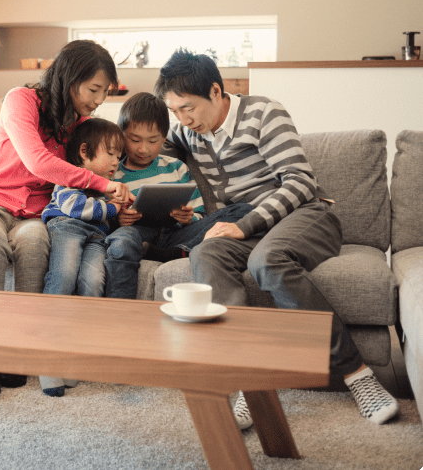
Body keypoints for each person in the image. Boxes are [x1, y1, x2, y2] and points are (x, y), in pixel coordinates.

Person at [153, 47, 399, 428]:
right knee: (205, 254)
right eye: (175, 111)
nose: (183, 119)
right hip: (247, 225)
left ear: (216, 92)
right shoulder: (188, 132)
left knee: (267, 261)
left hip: (305, 215)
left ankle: (357, 374)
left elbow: (301, 182)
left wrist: (244, 225)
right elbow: (148, 149)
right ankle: (249, 384)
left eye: (189, 108)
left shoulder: (264, 113)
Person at [0, 40, 133, 400]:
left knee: (35, 244)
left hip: (33, 214)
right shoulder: (21, 100)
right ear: (70, 78)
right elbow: (38, 161)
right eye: (94, 89)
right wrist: (103, 183)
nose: (99, 100)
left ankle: (20, 352)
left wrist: (120, 198)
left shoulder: (79, 125)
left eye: (105, 93)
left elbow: (93, 161)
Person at [104, 92, 253, 300]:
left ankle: (170, 251)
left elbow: (199, 215)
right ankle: (119, 308)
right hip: (138, 234)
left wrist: (188, 217)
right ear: (122, 135)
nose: (143, 149)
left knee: (243, 211)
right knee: (121, 241)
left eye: (153, 141)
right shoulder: (112, 174)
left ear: (164, 139)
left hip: (177, 233)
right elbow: (103, 217)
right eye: (135, 139)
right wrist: (118, 220)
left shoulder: (177, 168)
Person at [39, 117, 126, 396]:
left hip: (97, 236)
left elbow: (107, 215)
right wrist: (112, 209)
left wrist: (123, 213)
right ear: (85, 152)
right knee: (63, 278)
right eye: (110, 153)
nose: (116, 162)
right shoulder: (68, 176)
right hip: (68, 228)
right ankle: (48, 363)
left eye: (119, 156)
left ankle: (77, 357)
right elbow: (74, 207)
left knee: (93, 283)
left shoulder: (111, 186)